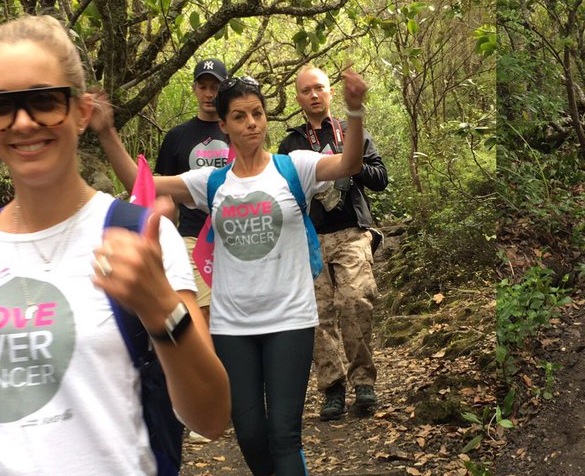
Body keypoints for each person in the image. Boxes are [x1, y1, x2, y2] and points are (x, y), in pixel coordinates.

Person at [0, 15, 230, 476]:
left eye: (43, 101)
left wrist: (162, 308)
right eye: (1, 106)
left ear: (82, 111)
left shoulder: (139, 236)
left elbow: (212, 417)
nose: (23, 123)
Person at [93, 68, 370, 476]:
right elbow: (140, 180)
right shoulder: (212, 182)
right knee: (250, 435)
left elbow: (350, 162)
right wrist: (105, 132)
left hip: (289, 320)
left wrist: (355, 109)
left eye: (257, 113)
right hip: (232, 326)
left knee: (283, 435)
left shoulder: (296, 167)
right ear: (224, 125)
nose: (251, 123)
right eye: (239, 116)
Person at [278, 64, 388, 420]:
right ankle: (333, 389)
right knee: (317, 314)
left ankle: (364, 383)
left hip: (353, 231)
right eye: (306, 90)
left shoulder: (350, 131)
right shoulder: (290, 143)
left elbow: (380, 178)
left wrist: (350, 165)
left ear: (329, 92)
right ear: (298, 97)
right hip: (309, 238)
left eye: (319, 88)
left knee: (356, 300)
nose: (313, 95)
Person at [92, 57, 232, 332]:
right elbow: (150, 188)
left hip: (235, 235)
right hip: (194, 238)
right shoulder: (178, 137)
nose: (208, 94)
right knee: (202, 317)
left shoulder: (236, 128)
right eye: (202, 86)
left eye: (214, 87)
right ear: (194, 89)